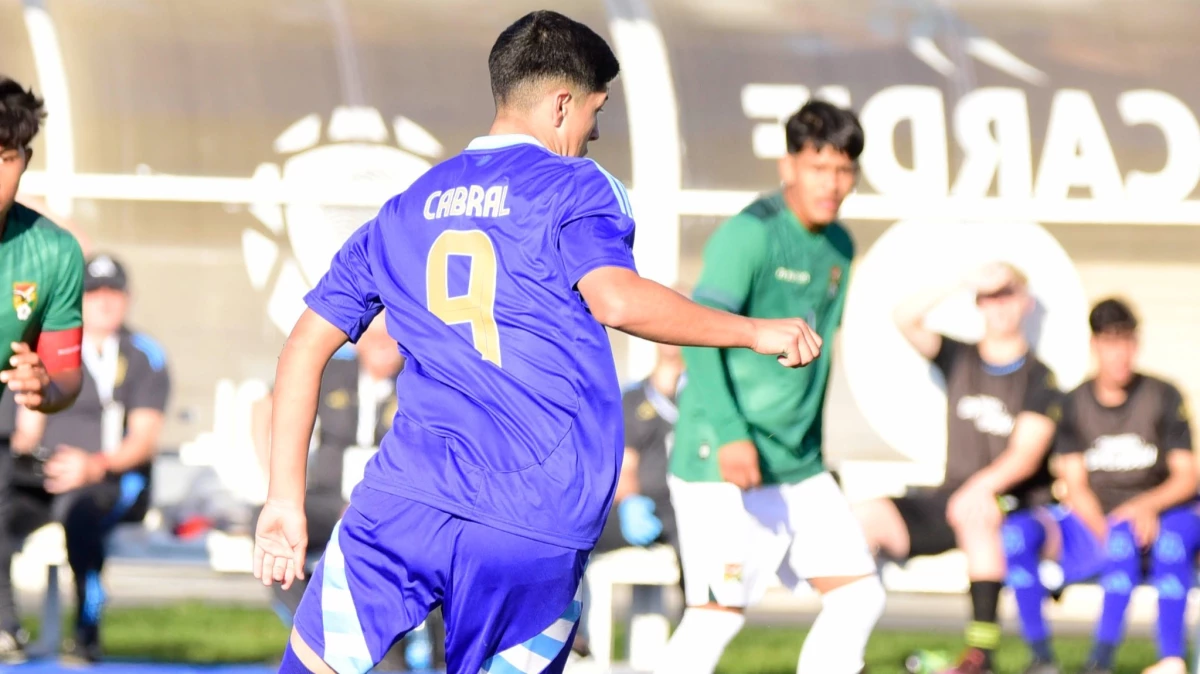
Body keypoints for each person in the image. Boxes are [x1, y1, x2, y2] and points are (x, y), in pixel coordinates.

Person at [251, 11, 822, 674]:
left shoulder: (405, 206)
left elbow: (305, 343)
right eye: (596, 113)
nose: (595, 134)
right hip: (533, 518)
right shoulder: (577, 186)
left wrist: (283, 500)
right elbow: (615, 299)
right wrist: (751, 331)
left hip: (404, 504)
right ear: (561, 104)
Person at [656, 100, 880, 674]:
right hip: (722, 456)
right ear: (788, 166)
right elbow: (698, 336)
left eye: (844, 170)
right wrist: (732, 435)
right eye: (819, 167)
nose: (833, 183)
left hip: (796, 465)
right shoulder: (748, 235)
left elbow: (816, 360)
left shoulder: (840, 246)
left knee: (859, 596)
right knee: (716, 616)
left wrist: (812, 447)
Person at [853, 261, 1062, 674]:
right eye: (990, 296)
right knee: (865, 518)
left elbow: (1026, 455)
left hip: (1009, 503)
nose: (999, 305)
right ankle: (847, 653)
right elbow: (904, 317)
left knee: (977, 512)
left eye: (1008, 294)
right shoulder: (959, 358)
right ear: (978, 303)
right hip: (951, 495)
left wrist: (981, 488)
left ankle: (981, 655)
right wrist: (964, 279)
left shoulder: (1040, 378)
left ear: (1025, 302)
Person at [1003, 299, 1197, 674]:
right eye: (1111, 343)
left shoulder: (1163, 396)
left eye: (1127, 342)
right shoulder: (1073, 403)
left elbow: (1187, 475)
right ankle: (1042, 659)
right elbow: (1074, 485)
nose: (1120, 354)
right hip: (1095, 522)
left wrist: (1146, 507)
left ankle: (1134, 659)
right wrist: (1108, 531)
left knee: (1156, 539)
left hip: (1160, 518)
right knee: (1017, 534)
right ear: (1094, 345)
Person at [0, 253, 169, 663]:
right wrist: (28, 451)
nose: (104, 302)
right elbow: (27, 426)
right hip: (48, 476)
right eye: (93, 293)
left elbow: (144, 439)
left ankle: (86, 633)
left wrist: (94, 466)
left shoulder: (143, 355)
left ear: (128, 298)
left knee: (81, 515)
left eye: (113, 292)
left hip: (110, 479)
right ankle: (6, 628)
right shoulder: (47, 349)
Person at [251, 314, 432, 670]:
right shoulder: (333, 371)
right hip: (328, 498)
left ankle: (393, 646)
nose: (381, 346)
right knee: (275, 534)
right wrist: (279, 483)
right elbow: (267, 407)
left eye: (389, 339)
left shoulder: (420, 379)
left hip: (393, 505)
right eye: (373, 338)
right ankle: (314, 633)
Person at [0, 75, 86, 663]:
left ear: (25, 162)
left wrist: (43, 388)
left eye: (5, 157)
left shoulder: (52, 253)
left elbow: (65, 376)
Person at [575, 338, 685, 659]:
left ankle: (692, 637)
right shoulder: (634, 397)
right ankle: (574, 635)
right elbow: (624, 463)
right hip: (637, 509)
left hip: (682, 509)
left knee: (696, 554)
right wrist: (631, 501)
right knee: (574, 536)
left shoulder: (702, 396)